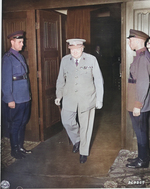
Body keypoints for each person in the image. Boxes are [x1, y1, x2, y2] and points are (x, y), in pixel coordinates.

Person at [55, 38, 104, 163]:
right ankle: (77, 140)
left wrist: (99, 99)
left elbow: (98, 80)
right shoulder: (65, 60)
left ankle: (83, 152)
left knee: (86, 127)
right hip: (69, 98)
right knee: (66, 121)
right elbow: (61, 80)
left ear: (82, 48)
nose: (75, 52)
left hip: (87, 98)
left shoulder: (91, 59)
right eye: (72, 49)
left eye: (78, 49)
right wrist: (59, 96)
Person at [2, 30, 32, 159]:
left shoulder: (19, 56)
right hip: (16, 98)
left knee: (23, 122)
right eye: (20, 42)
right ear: (12, 42)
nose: (22, 44)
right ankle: (14, 150)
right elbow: (5, 80)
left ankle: (20, 147)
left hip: (25, 96)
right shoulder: (7, 58)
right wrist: (9, 99)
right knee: (15, 124)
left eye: (23, 42)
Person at [126, 29, 150, 168]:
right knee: (140, 131)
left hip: (139, 102)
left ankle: (143, 161)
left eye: (130, 40)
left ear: (138, 40)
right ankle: (142, 157)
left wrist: (138, 104)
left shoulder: (142, 57)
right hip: (136, 99)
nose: (129, 42)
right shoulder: (140, 56)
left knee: (141, 131)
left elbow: (143, 82)